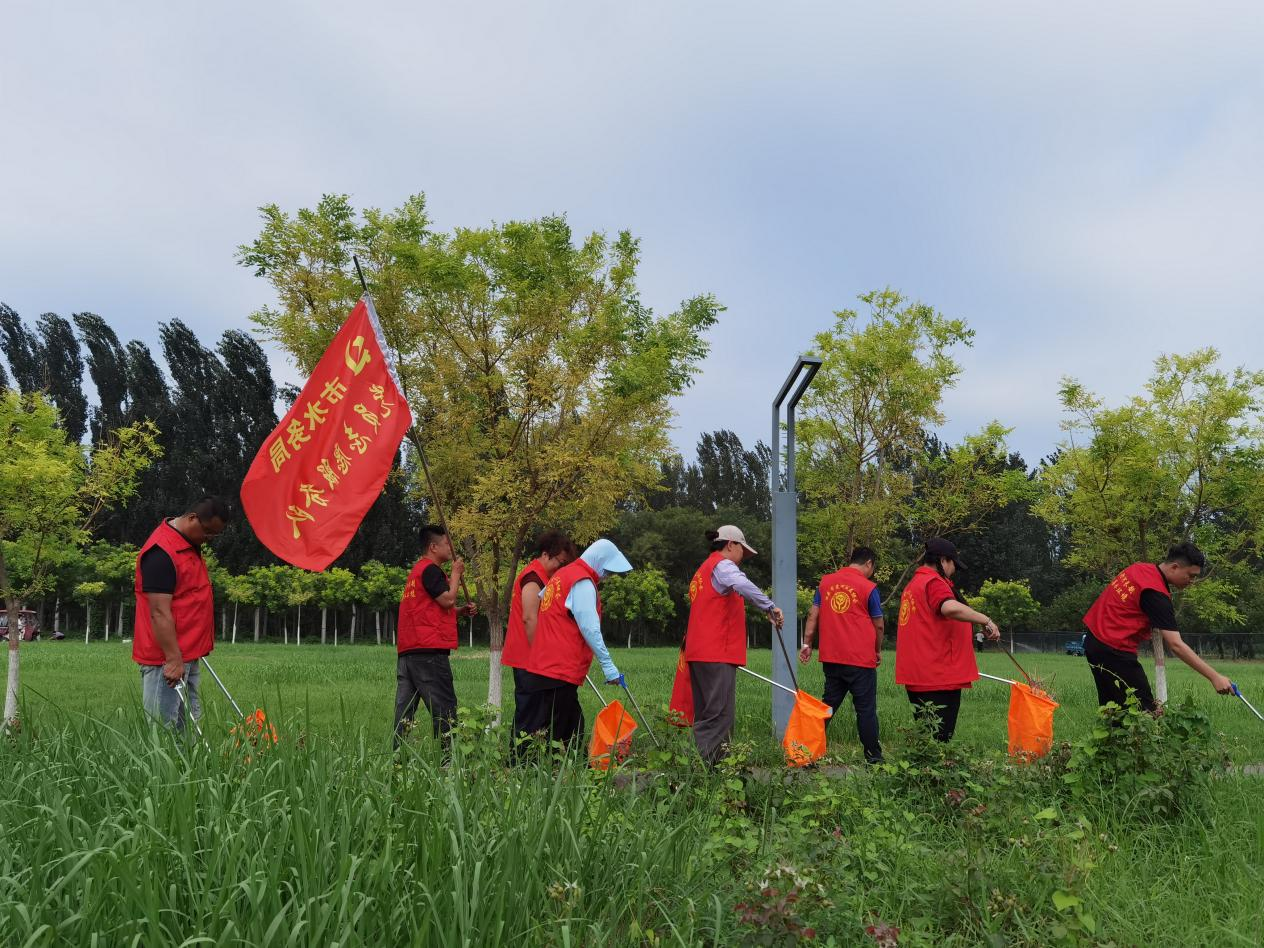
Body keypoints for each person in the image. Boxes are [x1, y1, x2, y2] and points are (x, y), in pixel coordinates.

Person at [1082, 541, 1233, 712]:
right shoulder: (1155, 593)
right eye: (1190, 575)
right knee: (1143, 710)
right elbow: (1176, 644)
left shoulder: (1139, 568)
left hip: (1094, 642)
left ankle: (1110, 737)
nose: (1192, 581)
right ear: (1175, 567)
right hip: (1113, 650)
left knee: (1113, 708)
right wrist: (1214, 677)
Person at [684, 525, 785, 765]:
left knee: (707, 715)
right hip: (716, 652)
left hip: (699, 653)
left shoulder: (702, 570)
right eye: (743, 551)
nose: (742, 559)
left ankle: (705, 772)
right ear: (731, 544)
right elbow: (742, 584)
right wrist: (769, 606)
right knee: (719, 717)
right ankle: (707, 776)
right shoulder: (723, 565)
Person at [519, 539, 632, 752]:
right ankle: (548, 771)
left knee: (564, 722)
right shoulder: (582, 581)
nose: (607, 575)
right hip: (559, 667)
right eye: (607, 569)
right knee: (559, 727)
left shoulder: (562, 575)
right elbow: (590, 628)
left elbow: (546, 600)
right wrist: (609, 667)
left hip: (547, 664)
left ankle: (562, 766)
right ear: (598, 561)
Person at [133, 496, 230, 730]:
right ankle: (160, 767)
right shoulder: (161, 553)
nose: (208, 540)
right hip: (166, 660)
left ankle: (188, 765)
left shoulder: (188, 545)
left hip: (187, 652)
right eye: (207, 533)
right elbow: (158, 612)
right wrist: (173, 659)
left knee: (188, 726)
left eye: (215, 536)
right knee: (162, 727)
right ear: (192, 518)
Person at [894, 538, 1000, 741]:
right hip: (938, 675)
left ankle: (923, 770)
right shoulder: (933, 582)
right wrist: (987, 620)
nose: (954, 571)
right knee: (940, 739)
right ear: (943, 560)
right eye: (953, 565)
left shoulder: (914, 584)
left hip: (919, 673)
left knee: (927, 736)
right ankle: (935, 772)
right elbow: (949, 607)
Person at [394, 524, 478, 749]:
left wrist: (459, 612)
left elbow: (433, 607)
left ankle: (396, 759)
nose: (450, 548)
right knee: (444, 709)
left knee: (404, 711)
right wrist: (456, 574)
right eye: (445, 544)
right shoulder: (430, 570)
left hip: (409, 652)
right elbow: (448, 599)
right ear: (433, 547)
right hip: (429, 653)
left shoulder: (416, 572)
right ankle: (449, 764)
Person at [798, 546, 884, 764]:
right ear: (869, 564)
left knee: (827, 706)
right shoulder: (869, 587)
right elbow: (879, 625)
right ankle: (874, 759)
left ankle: (806, 754)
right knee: (865, 710)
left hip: (832, 658)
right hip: (861, 661)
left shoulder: (825, 582)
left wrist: (807, 644)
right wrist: (877, 649)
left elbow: (812, 615)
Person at [500, 531, 579, 752]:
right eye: (560, 562)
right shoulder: (533, 577)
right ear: (546, 554)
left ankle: (538, 761)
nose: (560, 569)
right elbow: (529, 617)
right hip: (529, 659)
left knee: (543, 712)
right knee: (528, 714)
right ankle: (518, 762)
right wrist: (541, 654)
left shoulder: (546, 578)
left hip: (536, 660)